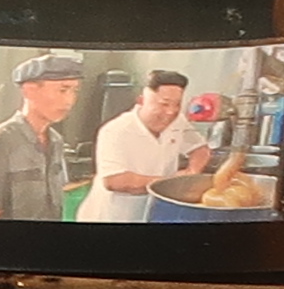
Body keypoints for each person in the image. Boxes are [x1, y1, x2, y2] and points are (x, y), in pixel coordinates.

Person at [0, 51, 91, 224]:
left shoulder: (56, 141)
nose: (69, 100)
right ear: (30, 91)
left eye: (74, 91)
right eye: (63, 90)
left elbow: (60, 192)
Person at [82, 69, 203, 223]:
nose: (171, 111)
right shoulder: (115, 131)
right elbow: (115, 181)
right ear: (141, 100)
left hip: (153, 213)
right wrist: (171, 183)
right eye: (164, 104)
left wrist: (192, 172)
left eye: (177, 104)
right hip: (113, 218)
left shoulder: (177, 121)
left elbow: (200, 149)